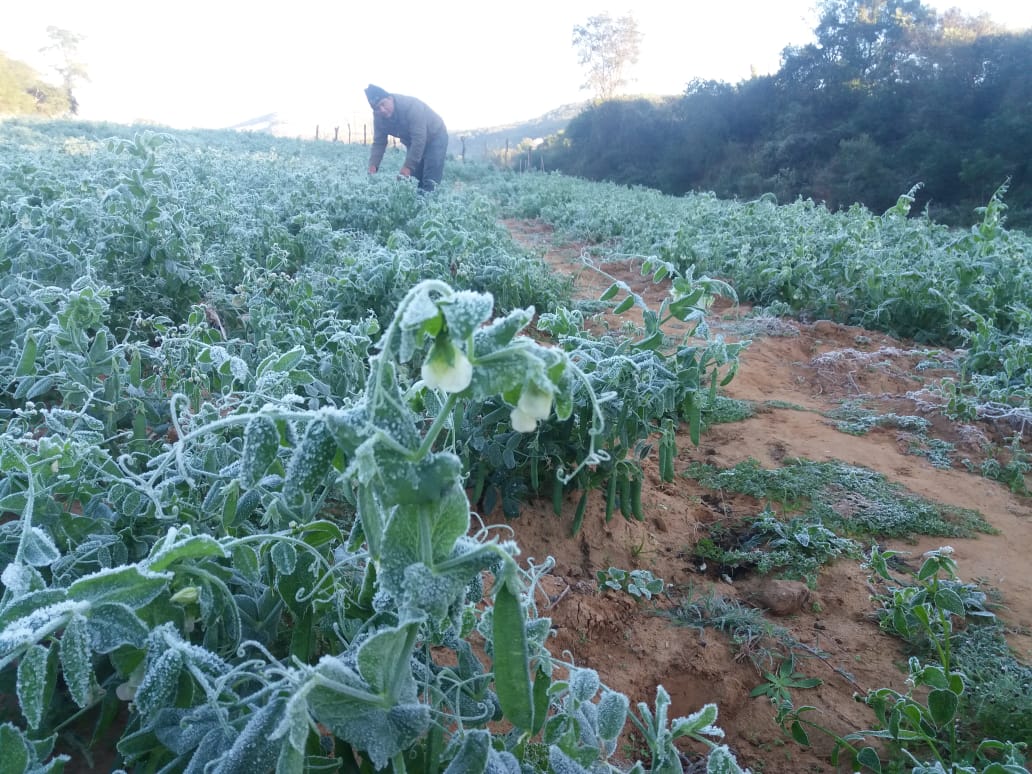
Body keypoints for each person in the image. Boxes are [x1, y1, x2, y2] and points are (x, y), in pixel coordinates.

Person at [365, 84, 448, 193]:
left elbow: (419, 138)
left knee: (430, 180)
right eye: (377, 109)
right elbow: (379, 143)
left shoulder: (411, 106)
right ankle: (418, 206)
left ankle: (430, 205)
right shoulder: (379, 116)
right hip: (412, 141)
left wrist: (407, 167)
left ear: (390, 98)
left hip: (435, 135)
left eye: (383, 104)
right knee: (415, 180)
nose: (382, 110)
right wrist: (373, 165)